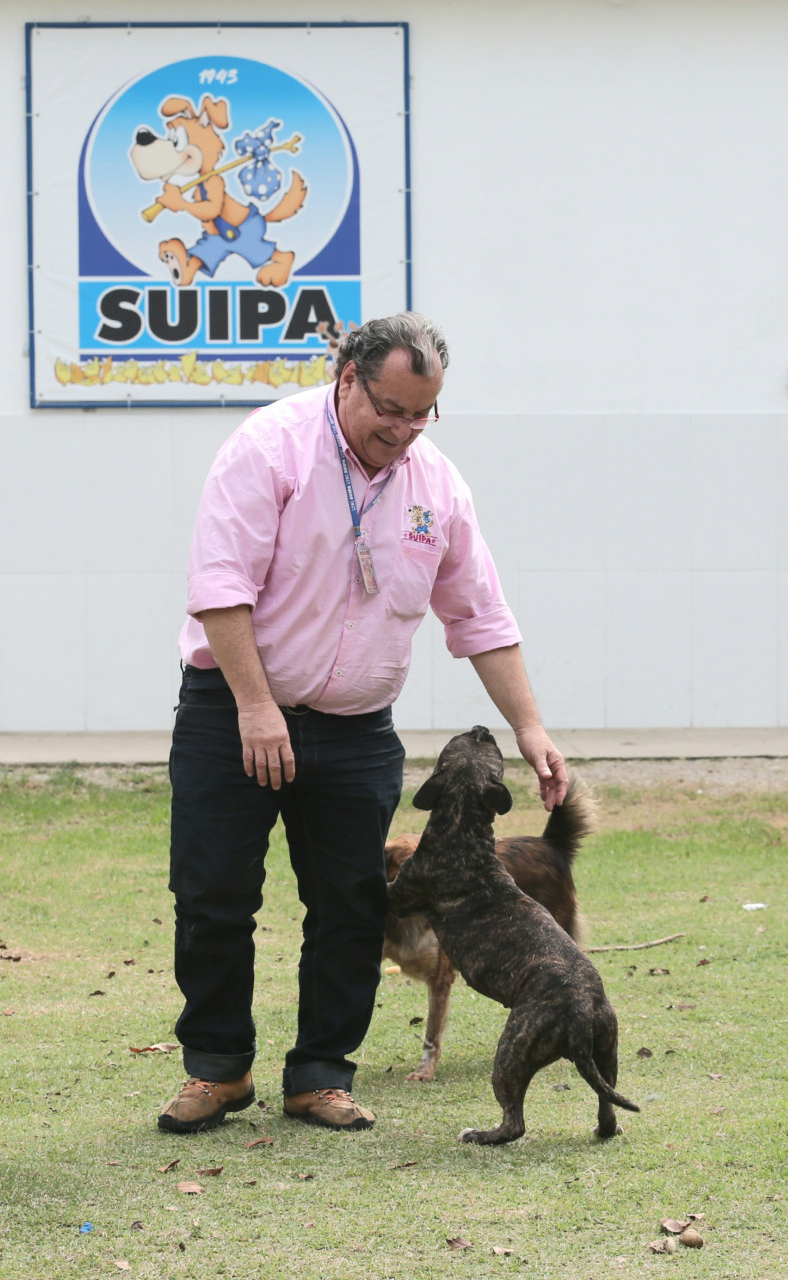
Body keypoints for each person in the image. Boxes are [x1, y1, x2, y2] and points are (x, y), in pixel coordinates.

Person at [159, 312, 569, 1135]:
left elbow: (480, 615)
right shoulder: (268, 450)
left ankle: (320, 1076)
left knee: (350, 904)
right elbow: (220, 588)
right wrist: (254, 705)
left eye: (424, 414)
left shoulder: (437, 487)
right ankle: (218, 1071)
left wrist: (529, 726)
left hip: (353, 730)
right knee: (213, 897)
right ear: (347, 378)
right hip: (233, 710)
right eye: (391, 408)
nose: (406, 430)